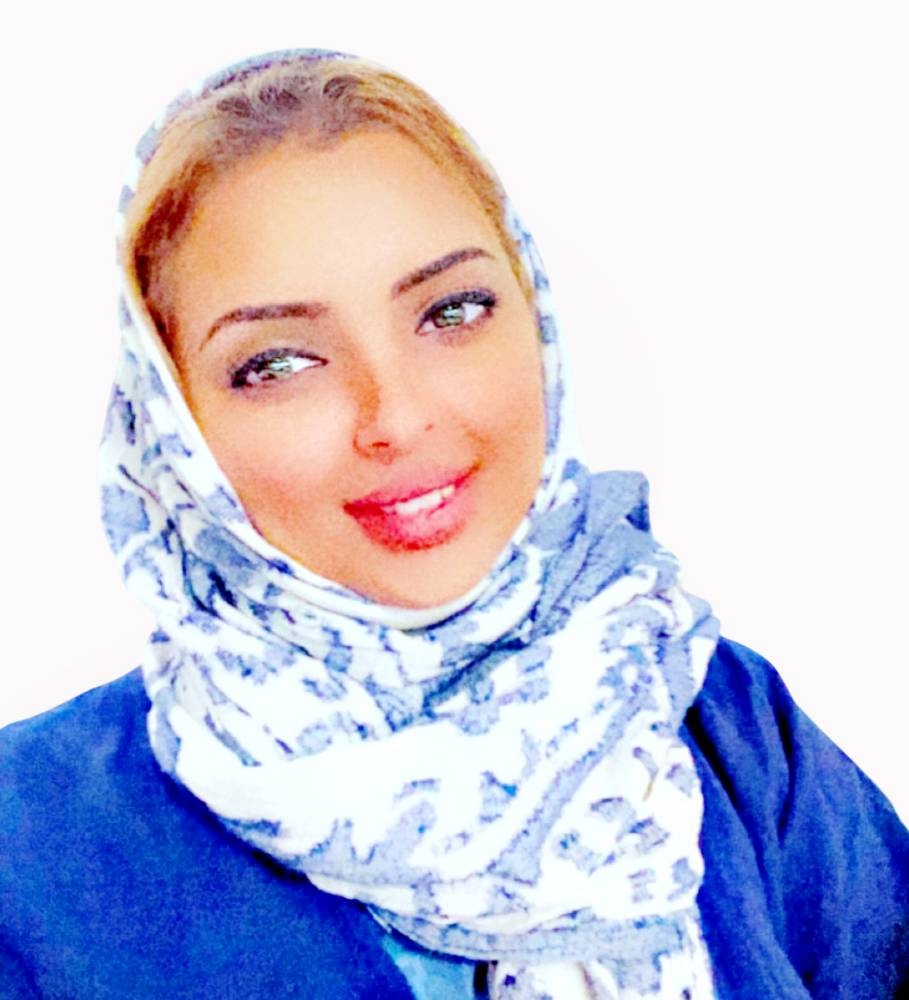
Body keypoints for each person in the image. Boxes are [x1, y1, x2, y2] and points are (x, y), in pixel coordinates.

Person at [1, 47, 906, 1000]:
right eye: (279, 364)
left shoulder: (711, 715)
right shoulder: (33, 848)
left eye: (451, 311)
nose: (395, 415)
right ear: (171, 426)